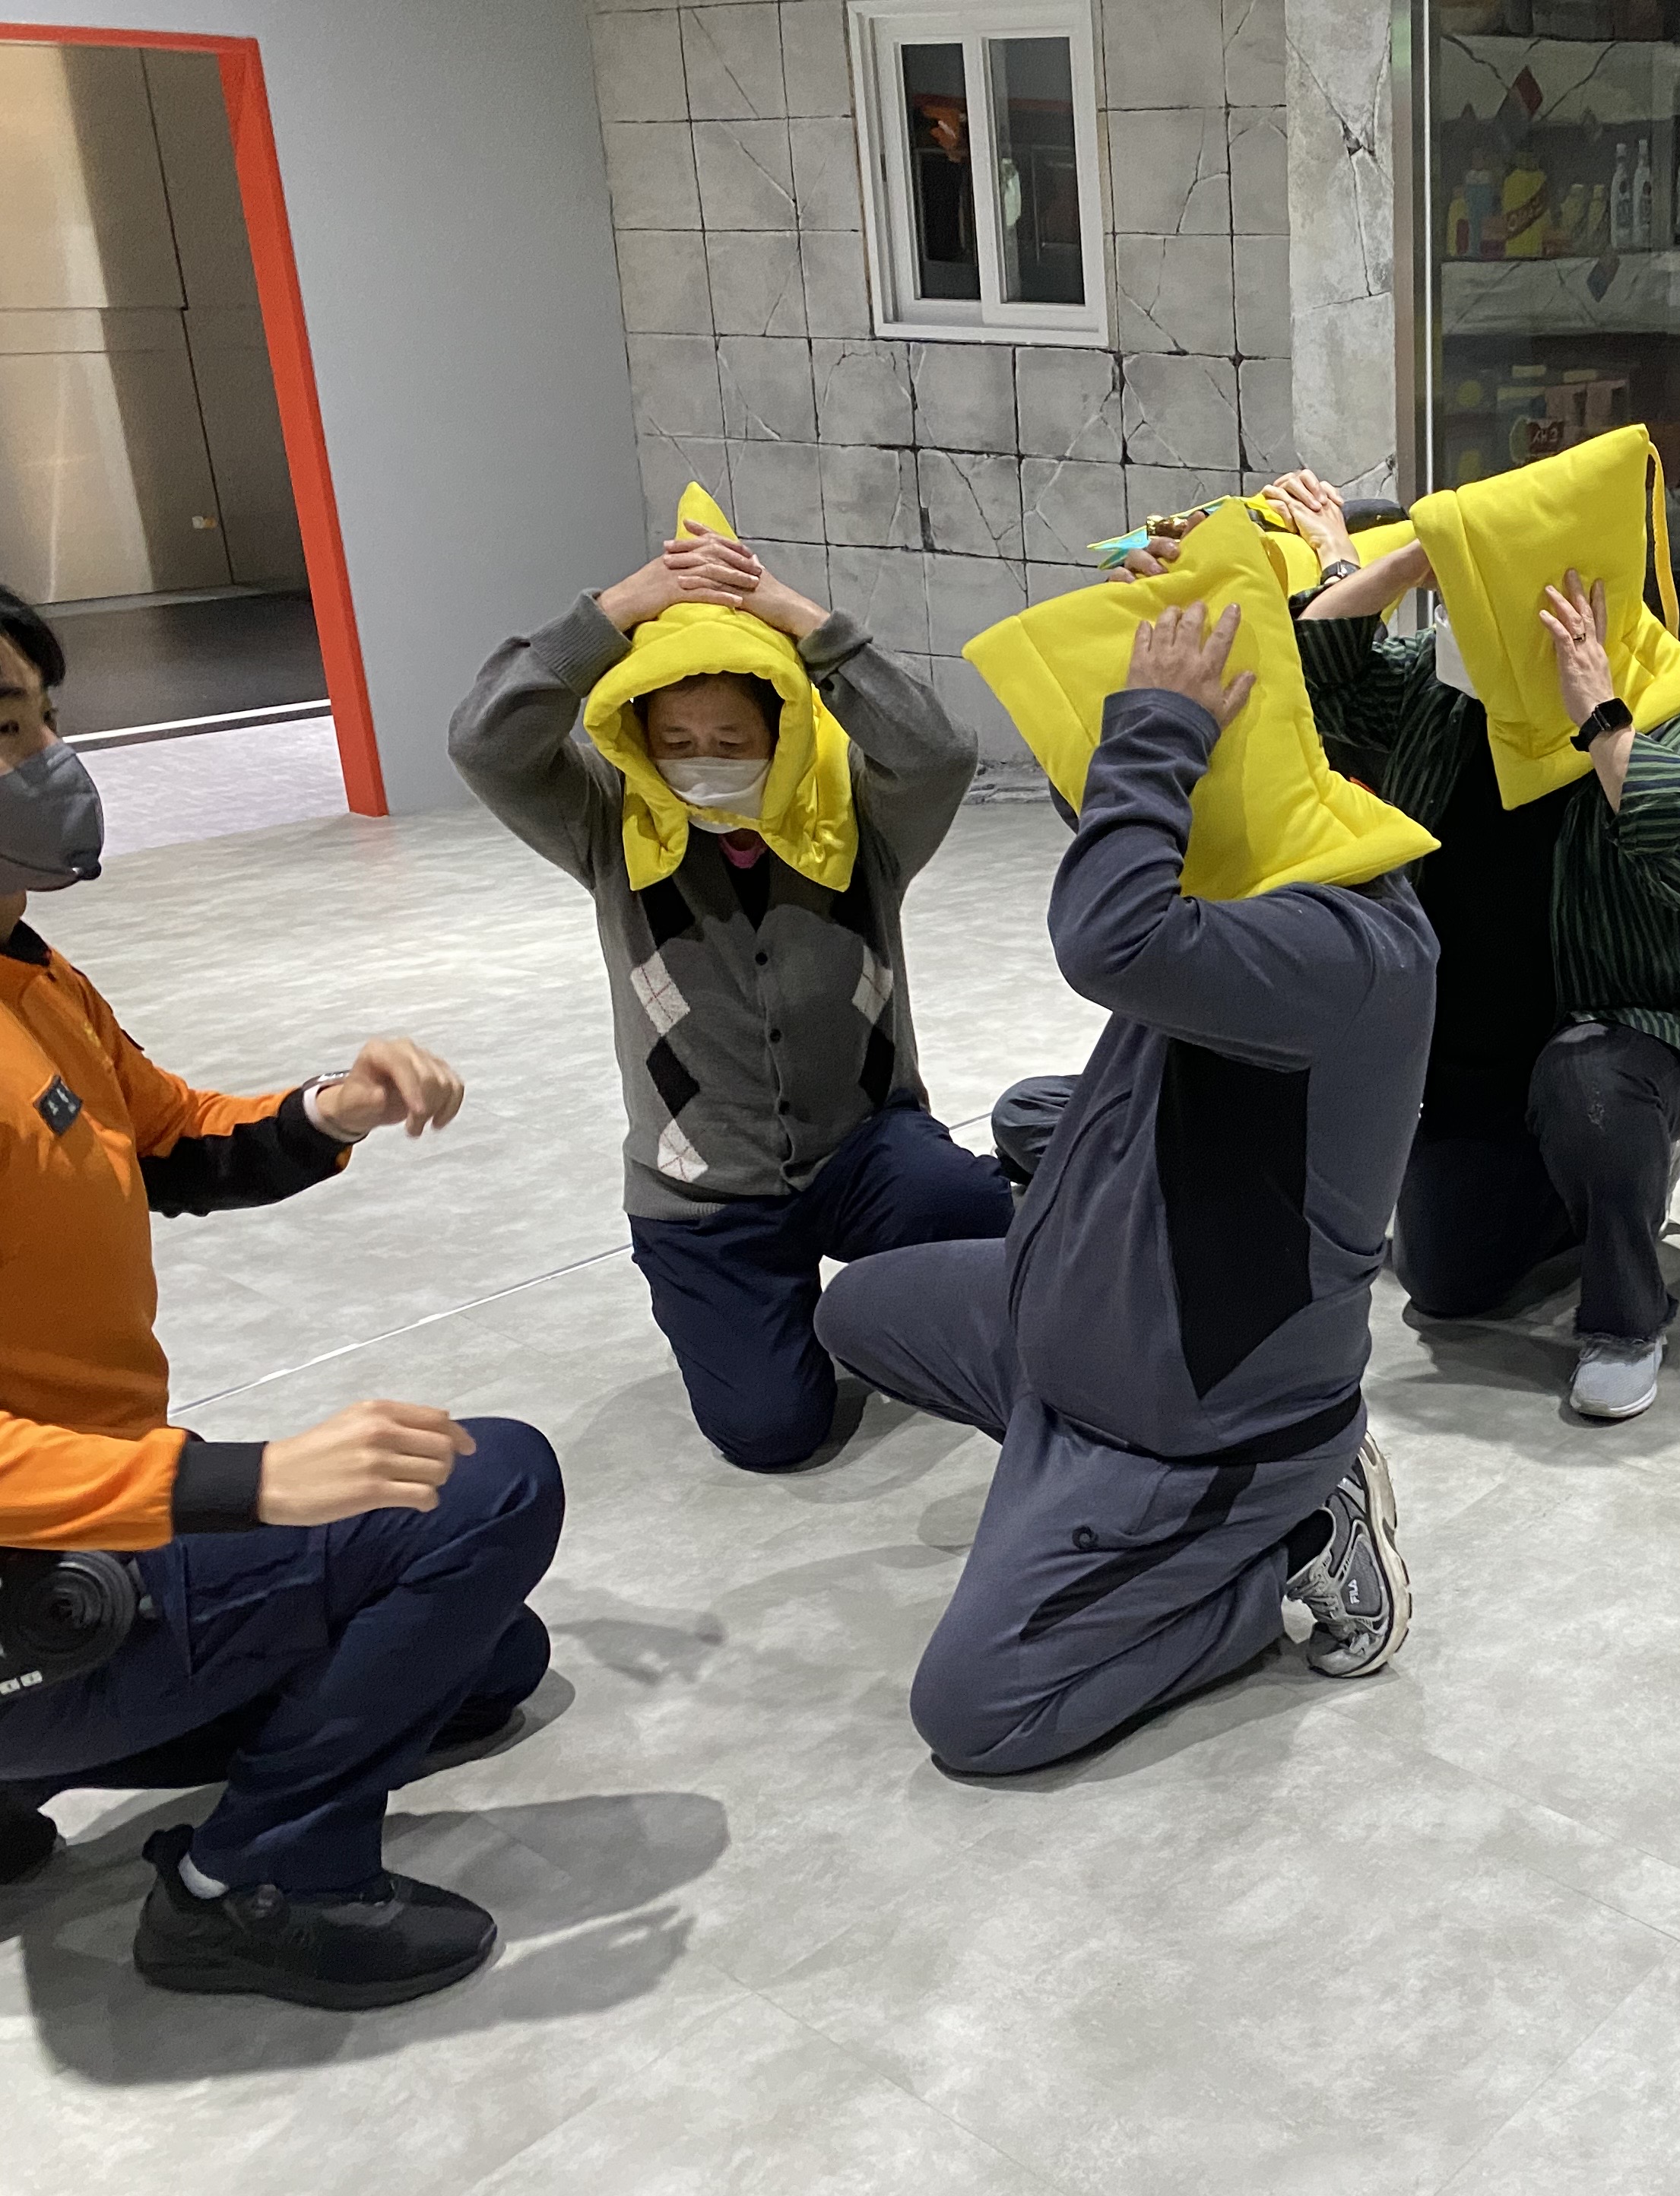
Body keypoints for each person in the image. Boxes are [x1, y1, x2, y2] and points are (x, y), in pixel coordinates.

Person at [0, 582, 563, 2010]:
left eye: (48, 719)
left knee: (488, 1658)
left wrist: (332, 1106)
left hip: (82, 1527)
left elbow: (170, 1138)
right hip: (39, 1589)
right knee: (489, 1488)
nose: (52, 762)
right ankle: (252, 1884)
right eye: (7, 729)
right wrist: (238, 1483)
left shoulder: (30, 972)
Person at [815, 600, 1431, 1774]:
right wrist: (1152, 679)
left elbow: (1107, 935)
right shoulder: (1263, 873)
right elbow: (1116, 833)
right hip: (1073, 1330)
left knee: (975, 1714)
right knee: (854, 1308)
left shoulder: (1352, 951)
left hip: (1196, 1422)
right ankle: (1074, 1492)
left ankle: (1285, 1543)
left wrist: (1158, 726)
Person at [1136, 471, 1680, 1422]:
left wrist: (1599, 718)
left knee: (1589, 1091)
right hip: (1476, 1045)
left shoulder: (1660, 696)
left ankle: (1626, 1313)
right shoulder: (1441, 688)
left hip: (1633, 1028)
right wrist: (1410, 559)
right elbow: (1316, 675)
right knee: (1446, 1283)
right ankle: (1600, 1180)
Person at [450, 514, 1011, 1471]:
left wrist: (800, 619)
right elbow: (486, 743)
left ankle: (902, 1275)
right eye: (674, 738)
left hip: (864, 1152)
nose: (700, 757)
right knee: (770, 1433)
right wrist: (615, 612)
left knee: (977, 1218)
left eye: (728, 737)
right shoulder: (611, 828)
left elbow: (939, 753)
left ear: (780, 730)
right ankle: (759, 1316)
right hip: (704, 1198)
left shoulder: (859, 824)